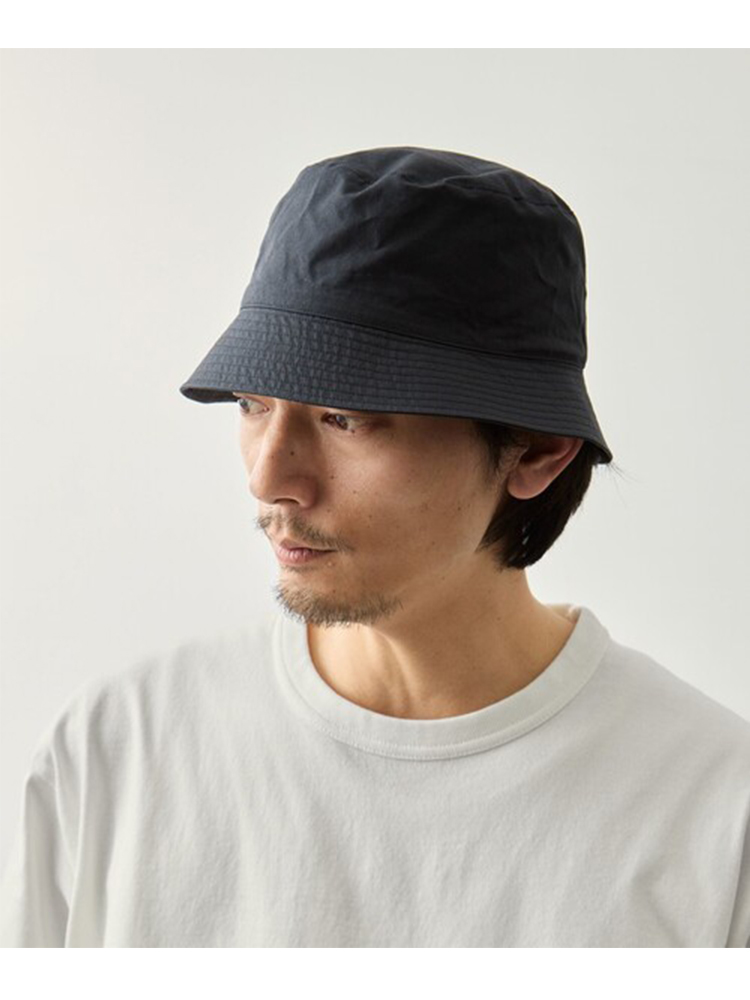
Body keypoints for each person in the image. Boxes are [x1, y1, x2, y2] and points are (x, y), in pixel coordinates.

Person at [2, 146, 749, 947]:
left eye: (344, 419)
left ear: (535, 452)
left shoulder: (712, 815)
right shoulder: (116, 755)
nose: (268, 478)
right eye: (254, 404)